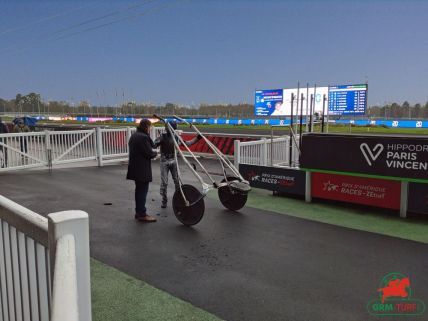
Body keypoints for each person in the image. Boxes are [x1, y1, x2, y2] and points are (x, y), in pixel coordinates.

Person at [154, 121, 202, 208]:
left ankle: (178, 198)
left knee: (177, 181)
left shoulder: (176, 137)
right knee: (164, 182)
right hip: (164, 162)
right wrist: (155, 142)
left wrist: (197, 138)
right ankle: (164, 200)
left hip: (173, 161)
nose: (172, 131)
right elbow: (153, 145)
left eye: (173, 129)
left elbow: (187, 143)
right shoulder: (162, 137)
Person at [126, 119, 158, 222]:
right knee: (142, 192)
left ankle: (138, 212)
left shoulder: (134, 135)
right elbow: (149, 153)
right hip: (142, 170)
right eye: (149, 127)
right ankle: (142, 214)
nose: (150, 129)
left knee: (138, 191)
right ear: (146, 127)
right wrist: (156, 153)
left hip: (135, 169)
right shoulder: (143, 137)